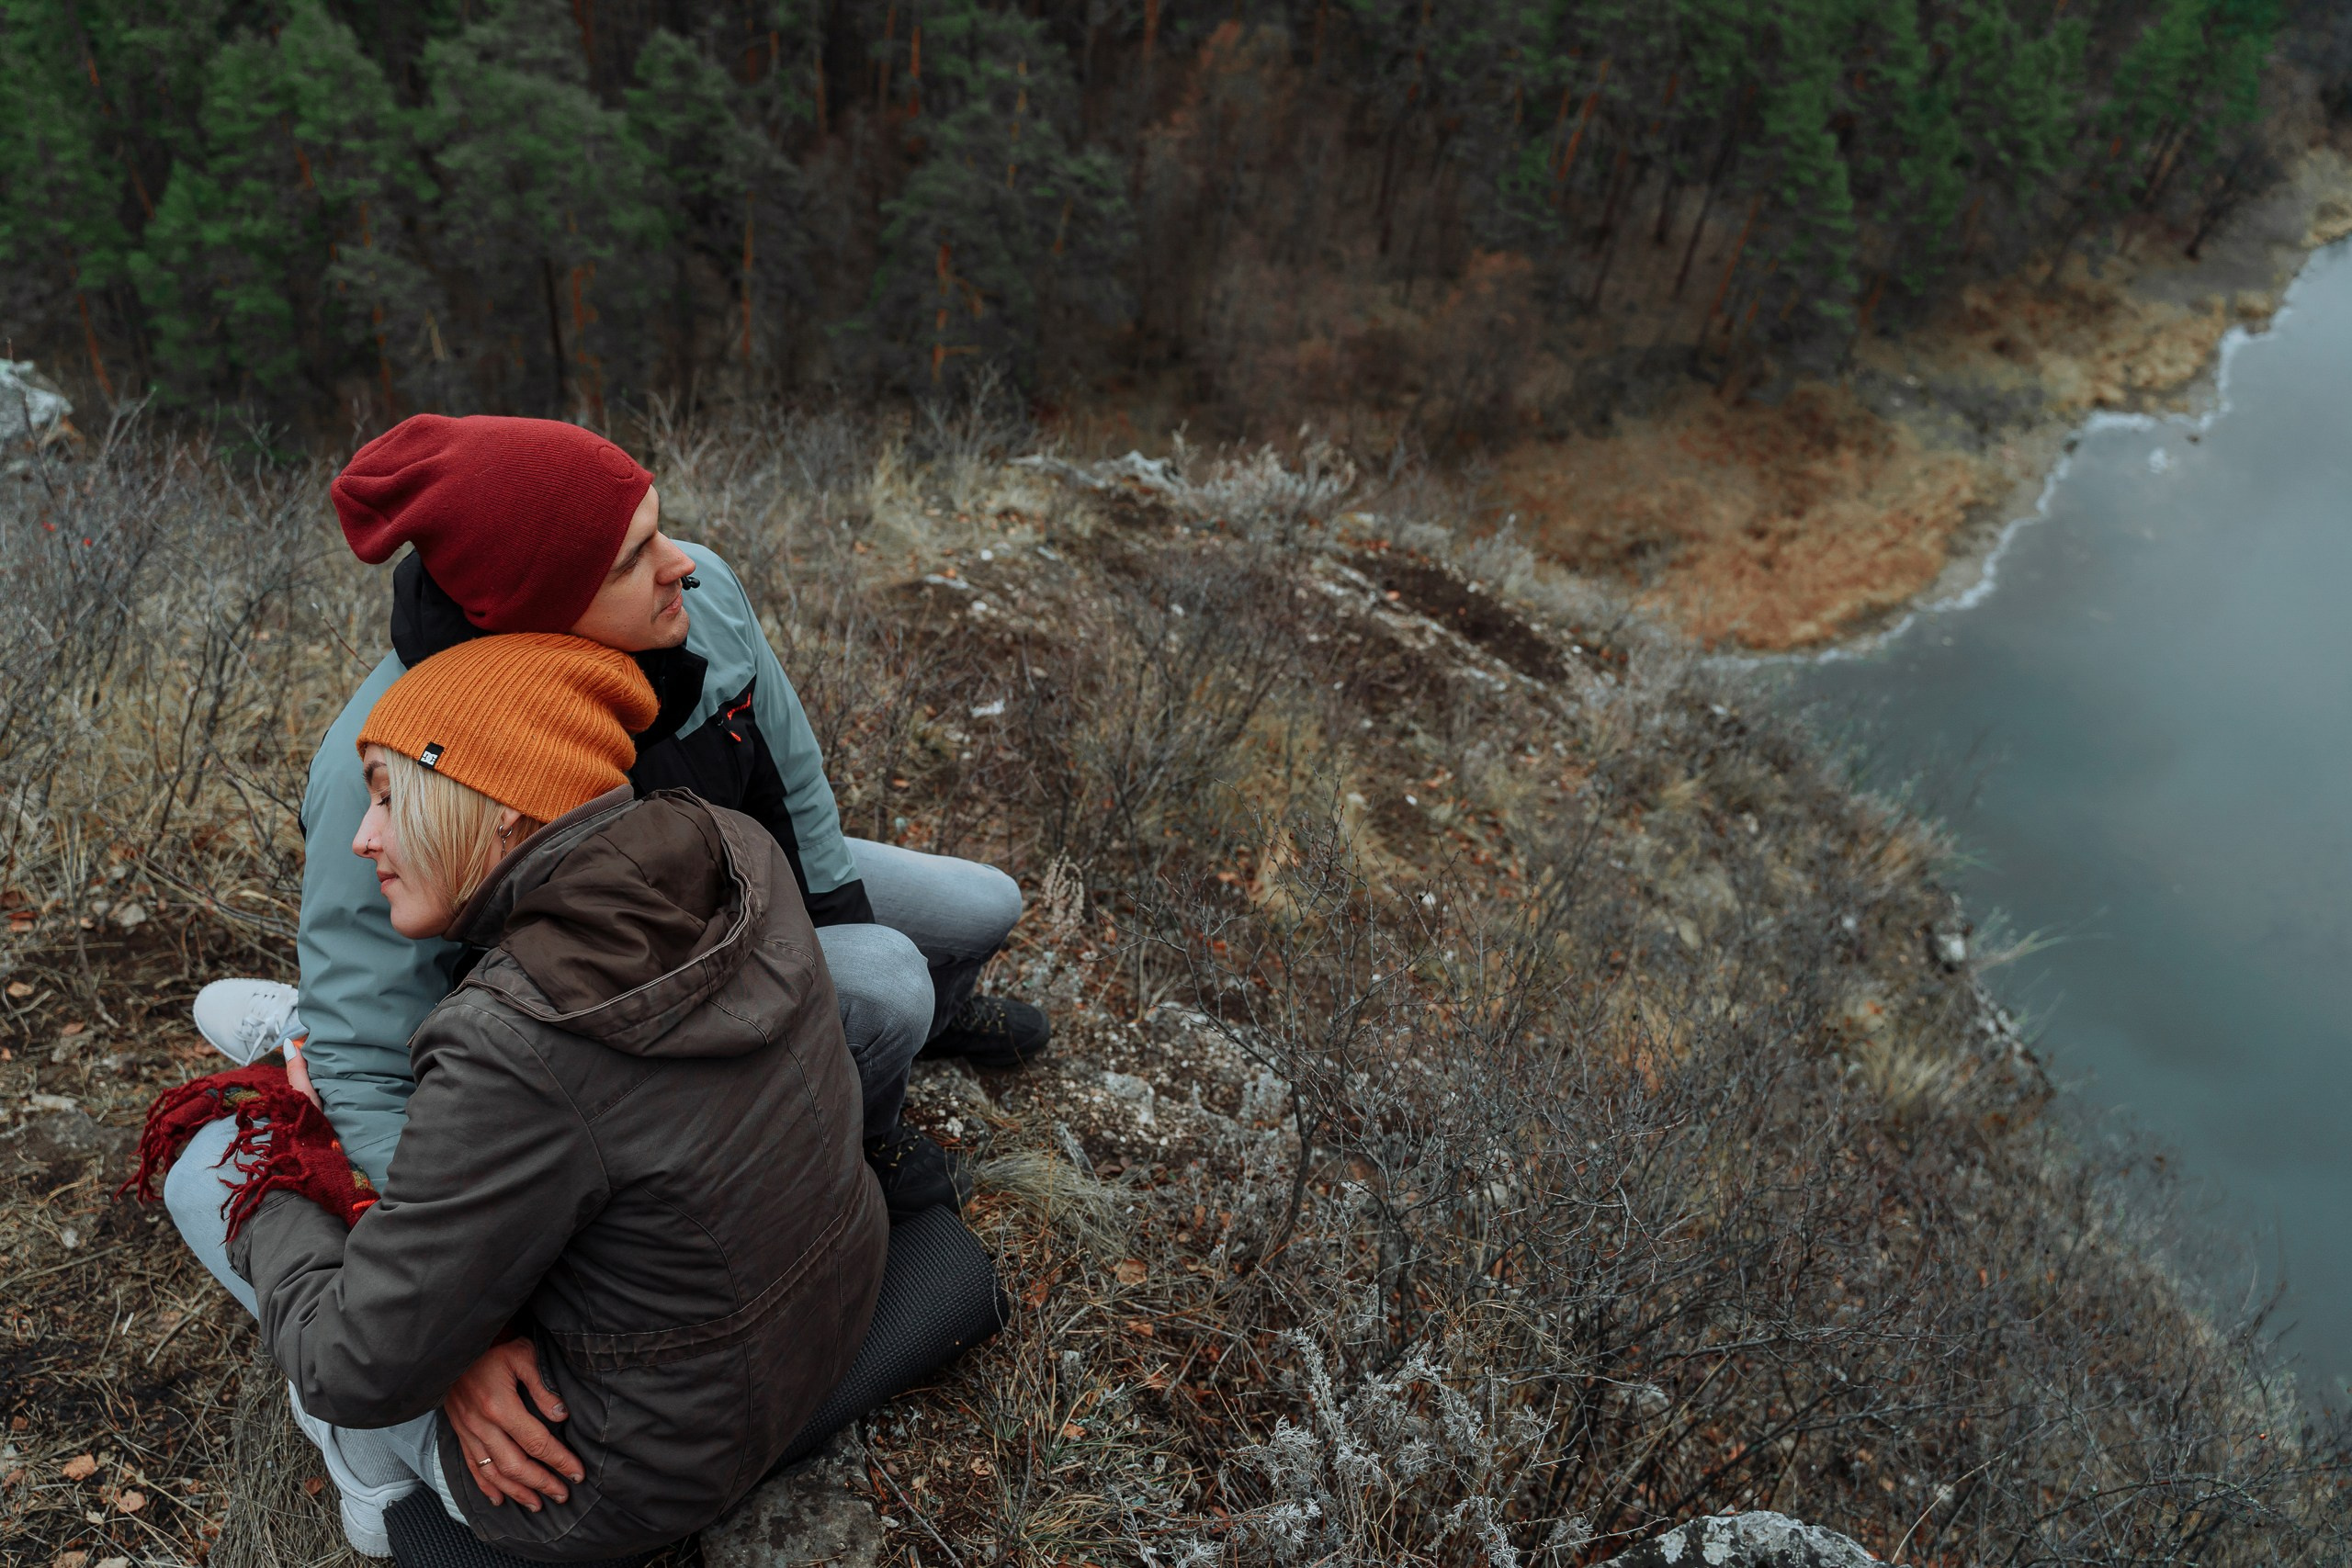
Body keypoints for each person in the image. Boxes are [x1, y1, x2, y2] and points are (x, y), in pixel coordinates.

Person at [168, 413, 1046, 1510]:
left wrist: (824, 928)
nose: (680, 562)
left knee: (951, 927)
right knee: (876, 987)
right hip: (641, 936)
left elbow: (795, 775)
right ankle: (297, 1023)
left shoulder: (699, 597)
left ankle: (887, 1048)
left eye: (660, 530)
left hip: (690, 907)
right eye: (634, 555)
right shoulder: (394, 764)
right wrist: (457, 1322)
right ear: (535, 623)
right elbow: (370, 1058)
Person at [151, 633, 890, 1560]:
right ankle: (313, 1045)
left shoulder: (515, 1040)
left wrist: (302, 1174)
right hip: (826, 1319)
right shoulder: (729, 847)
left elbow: (355, 1364)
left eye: (388, 796)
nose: (361, 837)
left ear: (501, 810)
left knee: (209, 1162)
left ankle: (372, 1478)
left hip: (610, 1476)